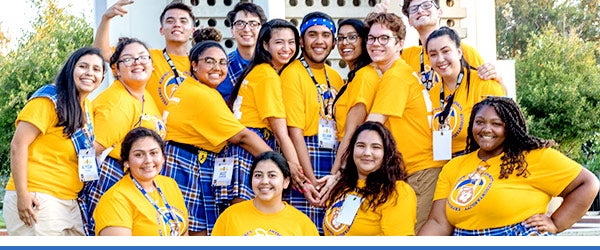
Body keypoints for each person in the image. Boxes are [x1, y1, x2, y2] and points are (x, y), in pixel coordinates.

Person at [419, 96, 600, 235]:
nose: (486, 129)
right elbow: (438, 223)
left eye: (496, 124)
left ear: (510, 128)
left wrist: (556, 222)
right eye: (479, 122)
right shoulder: (454, 166)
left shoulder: (534, 157)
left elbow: (588, 183)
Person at [162, 41, 272, 236]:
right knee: (194, 230)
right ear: (194, 64)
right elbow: (242, 136)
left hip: (184, 159)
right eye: (210, 61)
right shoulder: (202, 95)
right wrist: (276, 163)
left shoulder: (191, 87)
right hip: (186, 164)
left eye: (222, 62)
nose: (217, 68)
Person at [2, 47, 105, 235]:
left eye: (97, 69)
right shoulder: (49, 100)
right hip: (39, 197)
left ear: (102, 78)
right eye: (83, 66)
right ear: (70, 69)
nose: (90, 73)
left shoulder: (86, 106)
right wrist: (23, 195)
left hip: (70, 201)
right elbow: (18, 145)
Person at [79, 37, 166, 235]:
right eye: (128, 59)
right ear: (115, 69)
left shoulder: (144, 96)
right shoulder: (117, 103)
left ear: (152, 65)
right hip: (111, 178)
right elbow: (89, 153)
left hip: (138, 178)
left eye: (143, 57)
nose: (137, 62)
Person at [364, 12, 442, 233]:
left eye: (383, 38)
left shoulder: (395, 76)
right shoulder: (397, 73)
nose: (375, 43)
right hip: (413, 170)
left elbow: (371, 129)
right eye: (371, 38)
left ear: (399, 44)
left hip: (421, 172)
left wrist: (340, 172)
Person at [221, 19, 305, 206]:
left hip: (241, 148)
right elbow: (281, 133)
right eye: (279, 42)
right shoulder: (267, 74)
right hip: (251, 146)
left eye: (291, 42)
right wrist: (291, 168)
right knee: (246, 218)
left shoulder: (260, 70)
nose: (286, 48)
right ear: (265, 44)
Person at [280, 11, 344, 235]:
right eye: (312, 34)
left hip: (332, 158)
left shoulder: (335, 76)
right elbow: (294, 132)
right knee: (306, 228)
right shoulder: (292, 73)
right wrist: (311, 181)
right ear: (301, 40)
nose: (319, 41)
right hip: (307, 156)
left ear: (334, 42)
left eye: (326, 35)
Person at [93, 1, 196, 113]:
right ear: (161, 30)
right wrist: (105, 19)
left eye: (183, 21)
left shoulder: (199, 64)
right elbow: (102, 53)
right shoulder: (145, 57)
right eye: (170, 21)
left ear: (192, 31)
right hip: (153, 127)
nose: (177, 24)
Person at [376, 0, 501, 89]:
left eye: (426, 5)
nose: (420, 10)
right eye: (414, 9)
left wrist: (498, 77)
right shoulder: (406, 56)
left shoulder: (464, 51)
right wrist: (377, 24)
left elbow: (489, 88)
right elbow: (375, 57)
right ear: (409, 21)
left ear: (440, 12)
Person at [323, 121, 417, 236]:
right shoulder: (341, 187)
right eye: (361, 146)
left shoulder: (397, 192)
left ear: (386, 153)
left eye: (376, 147)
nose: (367, 153)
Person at [322, 18, 380, 204]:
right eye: (340, 38)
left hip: (355, 161)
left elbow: (352, 131)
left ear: (364, 40)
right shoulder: (353, 77)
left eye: (352, 37)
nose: (345, 43)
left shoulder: (364, 76)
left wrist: (336, 174)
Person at [425, 27, 505, 157]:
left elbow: (503, 130)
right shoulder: (432, 92)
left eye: (445, 51)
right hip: (446, 164)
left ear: (459, 52)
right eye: (433, 54)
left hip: (481, 160)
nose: (440, 59)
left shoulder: (483, 83)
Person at [94, 127, 188, 236]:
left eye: (153, 153)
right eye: (139, 154)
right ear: (126, 162)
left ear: (163, 157)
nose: (148, 160)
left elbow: (183, 231)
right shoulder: (115, 200)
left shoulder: (170, 184)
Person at [212, 151, 319, 236]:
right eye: (258, 175)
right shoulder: (230, 216)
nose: (264, 181)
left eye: (272, 175)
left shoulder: (302, 224)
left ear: (286, 182)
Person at [217, 2, 267, 101]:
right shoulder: (222, 67)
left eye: (253, 24)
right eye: (240, 23)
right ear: (232, 30)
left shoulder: (272, 63)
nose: (246, 29)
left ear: (261, 30)